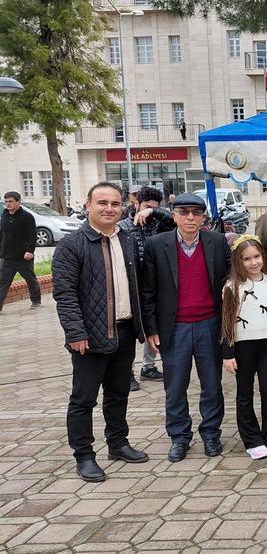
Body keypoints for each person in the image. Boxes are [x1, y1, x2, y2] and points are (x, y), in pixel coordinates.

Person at [52, 182, 149, 482]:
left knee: (119, 393)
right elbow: (65, 294)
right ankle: (84, 455)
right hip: (89, 336)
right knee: (83, 399)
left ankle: (118, 443)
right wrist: (75, 333)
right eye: (102, 203)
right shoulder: (72, 245)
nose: (109, 209)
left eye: (115, 204)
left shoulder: (128, 240)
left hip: (124, 331)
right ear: (88, 206)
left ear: (123, 207)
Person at [142, 193, 231, 463]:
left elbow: (229, 283)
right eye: (184, 212)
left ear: (203, 217)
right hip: (175, 327)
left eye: (196, 212)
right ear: (174, 215)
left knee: (212, 385)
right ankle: (179, 436)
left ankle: (211, 433)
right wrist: (151, 329)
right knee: (175, 386)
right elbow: (147, 291)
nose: (190, 217)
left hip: (210, 325)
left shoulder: (216, 242)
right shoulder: (157, 245)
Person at [220, 235, 267, 460]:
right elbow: (227, 322)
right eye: (247, 259)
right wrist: (227, 354)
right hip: (243, 347)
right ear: (238, 261)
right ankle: (252, 439)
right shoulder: (231, 287)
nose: (253, 262)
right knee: (245, 393)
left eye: (257, 257)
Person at [119, 186, 176, 385]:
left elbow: (175, 221)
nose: (148, 210)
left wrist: (154, 212)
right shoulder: (123, 226)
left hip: (155, 284)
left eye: (154, 207)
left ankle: (148, 367)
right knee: (131, 330)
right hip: (130, 285)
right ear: (136, 204)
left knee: (154, 326)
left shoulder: (160, 224)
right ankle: (127, 373)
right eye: (145, 206)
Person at [0, 191, 41, 313]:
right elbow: (2, 234)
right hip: (7, 257)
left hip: (23, 257)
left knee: (30, 279)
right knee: (3, 282)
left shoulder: (27, 217)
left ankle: (36, 300)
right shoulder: (4, 216)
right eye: (6, 201)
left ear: (18, 202)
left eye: (11, 201)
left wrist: (30, 251)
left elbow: (32, 235)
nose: (8, 204)